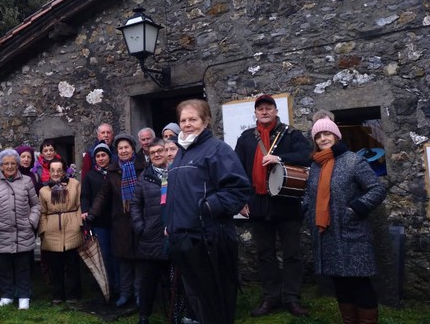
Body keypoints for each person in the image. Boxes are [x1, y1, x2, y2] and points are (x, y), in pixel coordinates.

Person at [165, 99, 252, 324]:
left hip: (210, 238)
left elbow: (238, 189)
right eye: (183, 120)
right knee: (197, 300)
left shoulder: (217, 150)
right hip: (184, 239)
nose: (187, 124)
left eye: (193, 119)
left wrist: (207, 208)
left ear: (205, 121)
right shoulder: (180, 153)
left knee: (216, 303)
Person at [234, 94, 312, 317]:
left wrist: (279, 158)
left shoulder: (290, 134)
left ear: (276, 111)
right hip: (258, 204)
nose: (264, 111)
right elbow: (236, 171)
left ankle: (292, 298)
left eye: (269, 108)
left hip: (287, 203)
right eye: (260, 109)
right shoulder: (246, 138)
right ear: (256, 113)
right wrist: (241, 200)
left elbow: (307, 155)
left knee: (292, 254)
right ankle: (271, 298)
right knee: (265, 254)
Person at [306, 117, 386, 324]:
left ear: (336, 135)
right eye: (318, 136)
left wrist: (355, 209)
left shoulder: (353, 161)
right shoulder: (315, 165)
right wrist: (306, 210)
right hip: (328, 235)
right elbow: (310, 194)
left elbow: (377, 189)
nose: (323, 139)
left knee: (360, 283)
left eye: (327, 134)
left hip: (351, 232)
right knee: (340, 283)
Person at [85, 133, 146, 307]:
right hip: (121, 222)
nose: (124, 150)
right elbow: (103, 195)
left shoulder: (143, 167)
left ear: (133, 149)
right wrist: (92, 214)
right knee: (124, 260)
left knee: (140, 260)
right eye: (120, 148)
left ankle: (140, 294)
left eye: (127, 147)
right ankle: (126, 294)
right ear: (116, 151)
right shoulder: (113, 171)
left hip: (140, 220)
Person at [0, 149, 41, 310]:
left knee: (23, 267)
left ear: (18, 164)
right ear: (1, 166)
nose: (10, 166)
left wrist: (31, 221)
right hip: (0, 232)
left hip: (23, 231)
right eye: (6, 163)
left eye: (13, 163)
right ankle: (7, 295)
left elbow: (36, 205)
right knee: (4, 267)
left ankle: (24, 296)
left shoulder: (26, 181)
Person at [131, 139, 170, 324]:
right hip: (150, 238)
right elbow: (135, 204)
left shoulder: (175, 173)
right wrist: (140, 227)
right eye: (153, 152)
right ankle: (144, 316)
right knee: (148, 281)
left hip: (173, 236)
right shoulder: (144, 177)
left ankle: (174, 315)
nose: (156, 154)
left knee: (174, 280)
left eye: (160, 151)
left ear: (166, 152)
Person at [38, 158, 83, 304]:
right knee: (55, 266)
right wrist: (44, 229)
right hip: (52, 230)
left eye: (59, 170)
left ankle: (73, 294)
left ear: (64, 170)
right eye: (53, 170)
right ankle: (57, 294)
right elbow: (42, 212)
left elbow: (79, 205)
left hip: (71, 227)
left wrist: (78, 224)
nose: (56, 173)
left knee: (72, 264)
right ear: (49, 172)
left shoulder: (74, 184)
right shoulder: (44, 190)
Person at [80, 142, 119, 300]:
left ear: (109, 157)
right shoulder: (90, 175)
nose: (101, 158)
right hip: (99, 221)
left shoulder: (115, 172)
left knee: (117, 254)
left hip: (116, 219)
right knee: (105, 255)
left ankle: (120, 286)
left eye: (104, 155)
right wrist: (85, 211)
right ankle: (107, 286)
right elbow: (85, 195)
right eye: (98, 156)